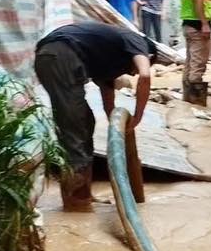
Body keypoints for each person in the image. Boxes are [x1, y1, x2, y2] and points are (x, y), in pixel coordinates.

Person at [34, 21, 154, 211]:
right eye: (133, 70)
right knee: (76, 128)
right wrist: (138, 115)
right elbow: (145, 75)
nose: (132, 73)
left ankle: (83, 194)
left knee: (85, 121)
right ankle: (77, 202)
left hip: (52, 56)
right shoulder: (137, 41)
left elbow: (108, 101)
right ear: (149, 55)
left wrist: (119, 128)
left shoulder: (107, 59)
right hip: (62, 55)